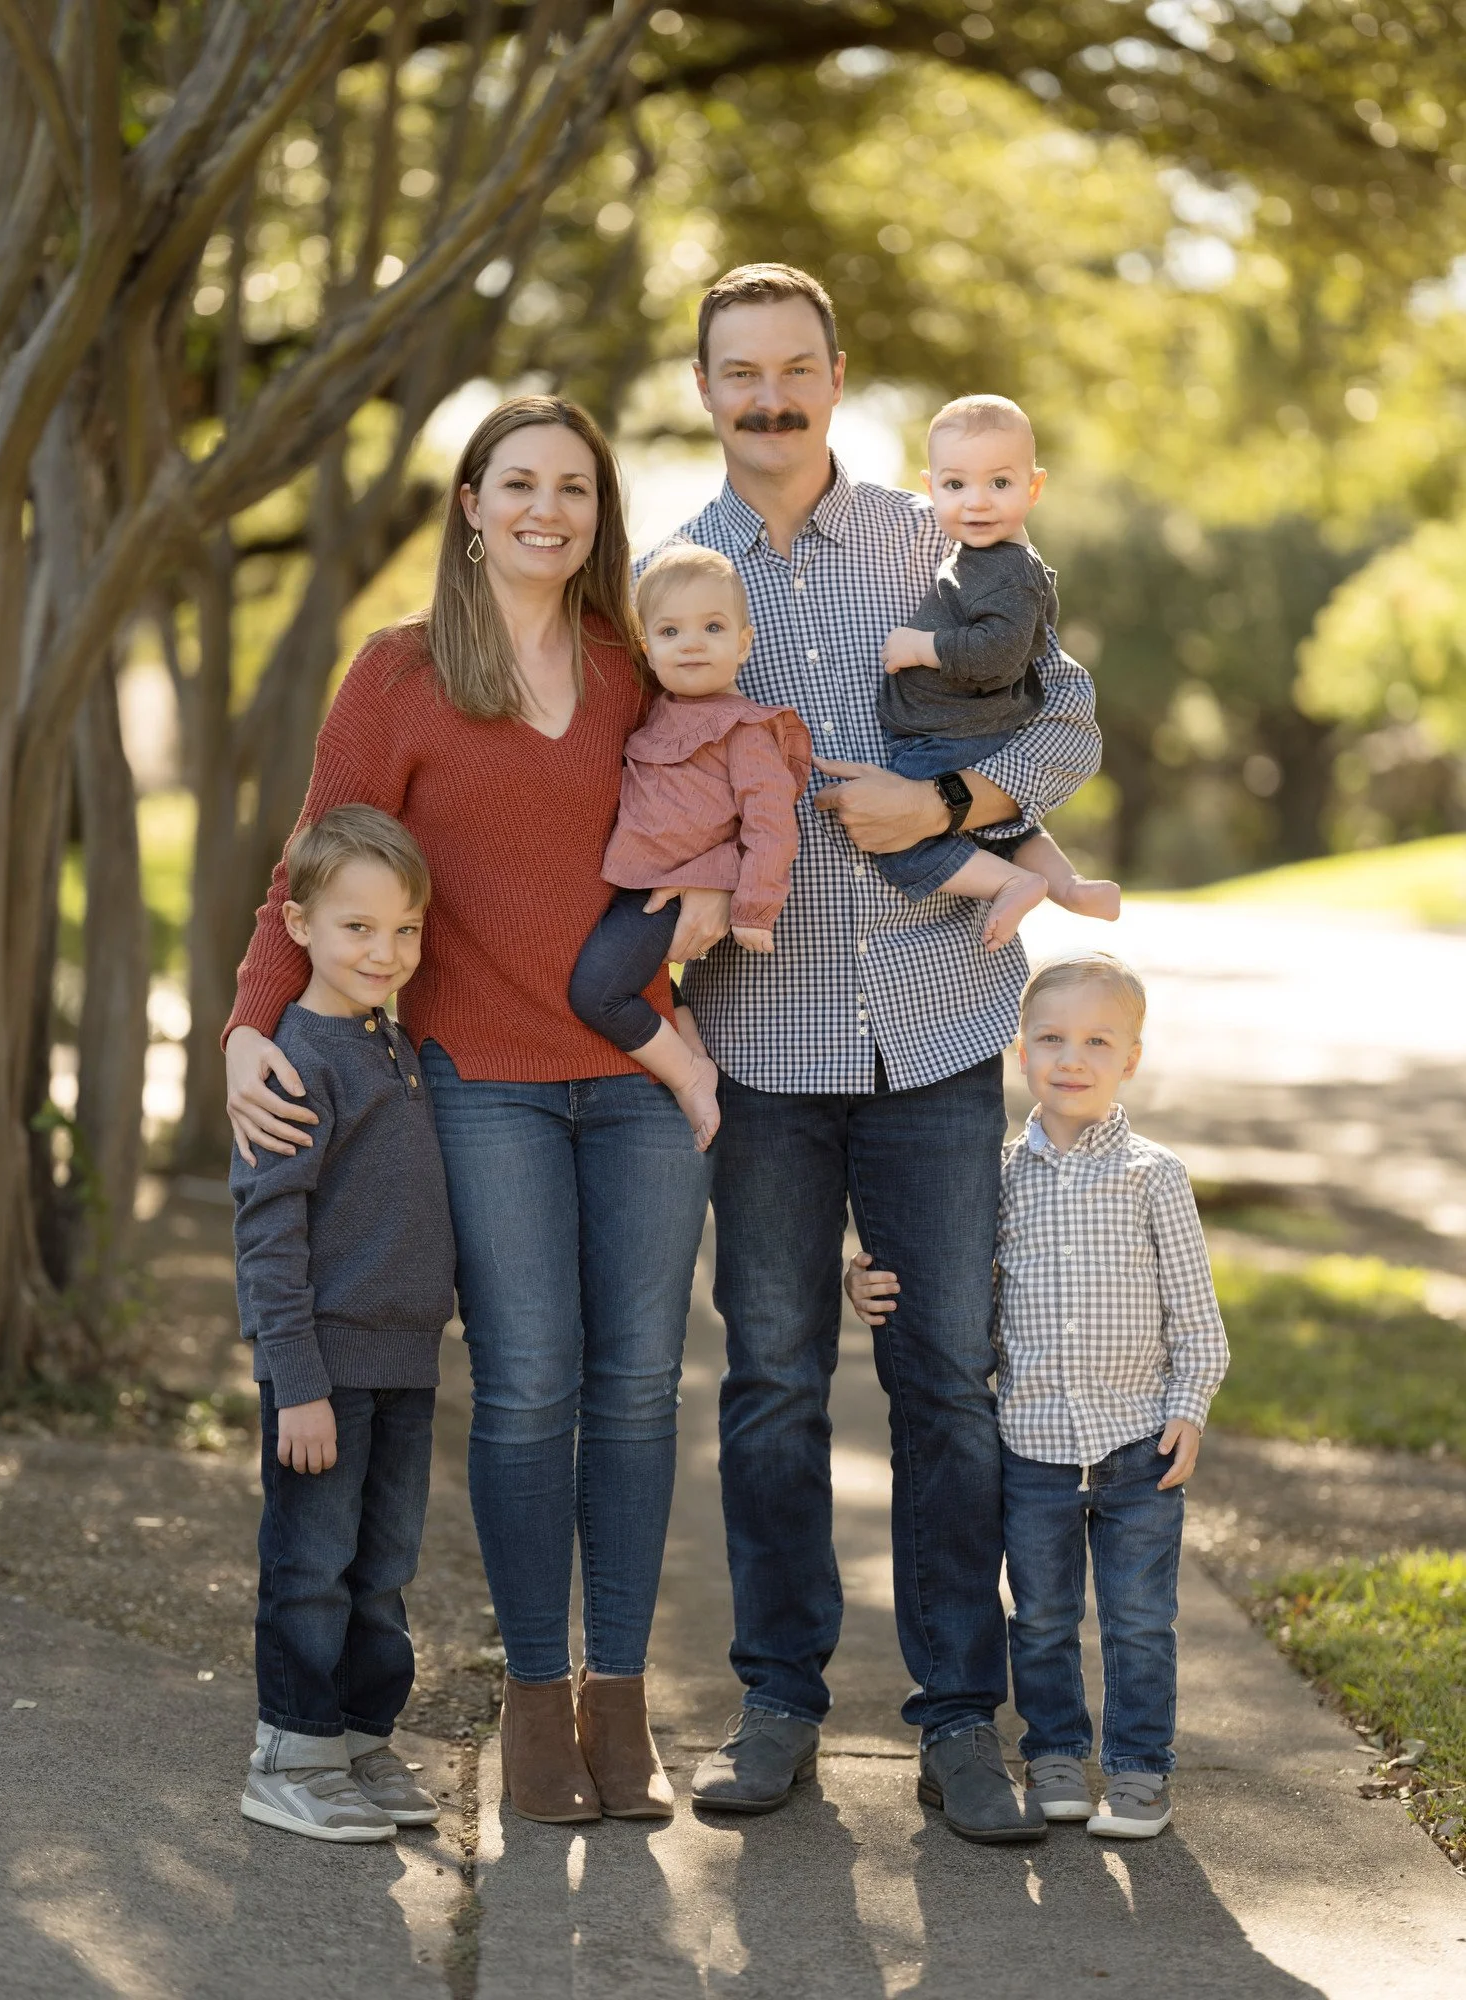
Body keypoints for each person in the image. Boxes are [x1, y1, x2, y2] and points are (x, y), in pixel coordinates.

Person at [224, 396, 723, 1828]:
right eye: (519, 483)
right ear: (470, 501)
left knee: (639, 1395)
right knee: (526, 1390)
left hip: (636, 1080)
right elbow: (308, 868)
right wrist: (246, 1030)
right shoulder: (397, 673)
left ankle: (618, 1712)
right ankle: (531, 1707)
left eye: (574, 486)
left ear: (599, 509)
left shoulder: (639, 666)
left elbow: (718, 816)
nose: (546, 509)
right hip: (479, 1082)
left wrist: (708, 906)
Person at [652, 262, 1101, 1842]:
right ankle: (777, 1700)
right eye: (738, 374)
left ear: (837, 374)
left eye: (793, 368)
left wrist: (955, 808)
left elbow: (1066, 724)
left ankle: (959, 1720)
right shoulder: (670, 576)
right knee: (771, 1382)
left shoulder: (945, 539)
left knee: (949, 1386)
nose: (767, 397)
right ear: (705, 390)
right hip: (759, 1048)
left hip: (934, 1031)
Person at [848, 952, 1229, 1840]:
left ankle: (1138, 1773)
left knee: (1139, 1620)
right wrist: (859, 1280)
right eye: (1051, 1037)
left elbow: (1198, 1317)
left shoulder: (1154, 1175)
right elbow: (953, 1292)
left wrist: (1190, 1408)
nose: (1073, 1057)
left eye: (1098, 1040)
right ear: (1020, 1051)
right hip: (1034, 1443)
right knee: (1045, 1615)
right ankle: (1055, 1753)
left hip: (1139, 1443)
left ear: (1131, 1058)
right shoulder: (995, 1177)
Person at [233, 805, 454, 1844]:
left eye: (404, 928)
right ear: (300, 926)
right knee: (311, 1565)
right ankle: (292, 1748)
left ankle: (362, 1737)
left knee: (383, 1566)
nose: (386, 949)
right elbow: (270, 1234)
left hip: (402, 1364)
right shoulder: (296, 1060)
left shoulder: (394, 1044)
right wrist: (299, 1381)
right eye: (359, 926)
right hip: (321, 1370)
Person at [569, 544, 811, 1150]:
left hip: (674, 894)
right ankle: (690, 1040)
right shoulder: (654, 715)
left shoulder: (745, 727)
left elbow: (771, 822)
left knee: (597, 991)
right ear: (648, 651)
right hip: (638, 885)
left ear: (744, 644)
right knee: (626, 974)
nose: (693, 643)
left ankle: (689, 1076)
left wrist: (754, 907)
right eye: (671, 631)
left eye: (712, 627)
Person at [874, 393, 1120, 950]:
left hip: (951, 734)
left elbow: (1000, 653)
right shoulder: (991, 556)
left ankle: (1013, 883)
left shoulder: (1006, 568)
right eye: (956, 485)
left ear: (1033, 488)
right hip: (963, 728)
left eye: (1000, 484)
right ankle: (1071, 887)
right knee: (1007, 824)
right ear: (930, 485)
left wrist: (923, 647)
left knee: (898, 835)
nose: (976, 503)